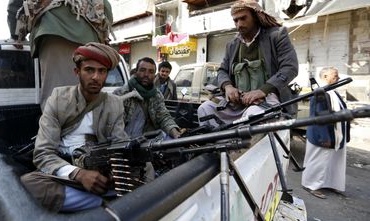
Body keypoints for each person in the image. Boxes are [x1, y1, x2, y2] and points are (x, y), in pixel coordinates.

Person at [20, 42, 128, 212]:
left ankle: (97, 198)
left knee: (144, 170)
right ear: (77, 72)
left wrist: (112, 174)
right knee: (29, 184)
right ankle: (101, 203)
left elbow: (120, 145)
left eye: (102, 71)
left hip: (100, 172)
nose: (96, 77)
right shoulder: (58, 98)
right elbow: (43, 153)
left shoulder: (114, 104)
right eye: (89, 70)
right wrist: (79, 174)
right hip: (67, 170)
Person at [197, 0, 298, 128]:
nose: (239, 24)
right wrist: (228, 87)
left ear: (255, 17)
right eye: (236, 20)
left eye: (243, 18)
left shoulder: (277, 35)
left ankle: (243, 147)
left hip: (266, 101)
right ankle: (218, 145)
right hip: (237, 103)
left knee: (253, 115)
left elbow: (290, 68)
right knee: (205, 109)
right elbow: (222, 70)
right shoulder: (232, 44)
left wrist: (262, 91)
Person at [7, 0, 114, 110]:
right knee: (87, 102)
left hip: (54, 28)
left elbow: (15, 4)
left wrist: (16, 35)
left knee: (58, 102)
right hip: (91, 37)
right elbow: (106, 7)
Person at [301, 67, 350, 199]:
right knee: (318, 160)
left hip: (336, 134)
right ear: (325, 76)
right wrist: (324, 137)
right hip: (323, 134)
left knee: (333, 160)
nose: (338, 78)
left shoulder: (332, 92)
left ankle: (329, 183)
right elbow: (318, 118)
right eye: (335, 76)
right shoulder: (320, 92)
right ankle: (311, 185)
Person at [113, 57, 181, 139]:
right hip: (122, 142)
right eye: (142, 70)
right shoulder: (121, 94)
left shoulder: (156, 95)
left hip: (146, 142)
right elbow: (114, 125)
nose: (146, 75)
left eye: (151, 72)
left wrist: (175, 133)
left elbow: (163, 116)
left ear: (154, 74)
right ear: (136, 72)